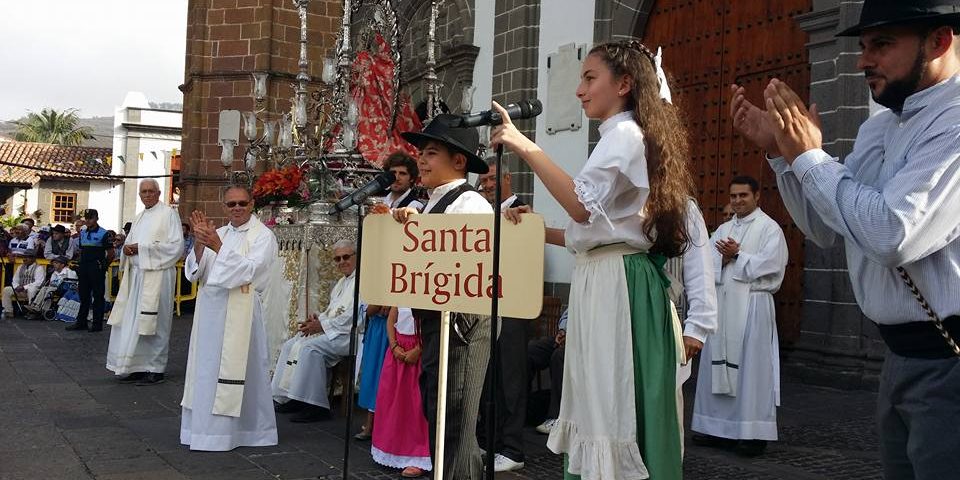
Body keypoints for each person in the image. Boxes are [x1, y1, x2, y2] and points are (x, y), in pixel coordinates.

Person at [730, 1, 960, 476]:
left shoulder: (953, 122)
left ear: (939, 42)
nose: (862, 61)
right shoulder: (880, 127)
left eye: (882, 44)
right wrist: (783, 155)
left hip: (948, 360)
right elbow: (827, 227)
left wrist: (810, 158)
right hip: (900, 358)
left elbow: (891, 233)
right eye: (861, 46)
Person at [493, 40, 718, 479]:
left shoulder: (626, 135)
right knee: (598, 396)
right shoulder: (620, 137)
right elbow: (593, 235)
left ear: (625, 84)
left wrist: (524, 144)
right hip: (605, 277)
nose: (579, 89)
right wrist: (537, 228)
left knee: (613, 398)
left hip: (620, 285)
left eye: (589, 77)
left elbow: (581, 207)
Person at [392, 114, 494, 480]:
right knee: (441, 414)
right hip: (438, 323)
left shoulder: (471, 205)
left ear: (459, 161)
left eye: (431, 152)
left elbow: (466, 269)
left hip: (463, 325)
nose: (421, 159)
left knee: (455, 418)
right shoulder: (434, 202)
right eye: (421, 152)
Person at [691, 176, 788, 457]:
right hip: (724, 305)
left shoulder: (770, 229)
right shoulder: (723, 228)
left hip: (754, 306)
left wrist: (738, 255)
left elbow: (772, 265)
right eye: (733, 196)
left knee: (750, 372)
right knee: (717, 370)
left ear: (757, 196)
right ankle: (718, 429)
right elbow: (705, 263)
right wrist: (722, 258)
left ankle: (752, 433)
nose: (737, 201)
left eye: (743, 195)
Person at [180, 185, 280, 451]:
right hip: (210, 312)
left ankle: (245, 431)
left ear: (252, 204)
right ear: (224, 207)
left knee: (242, 371)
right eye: (231, 204)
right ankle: (203, 431)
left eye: (242, 203)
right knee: (207, 370)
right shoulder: (219, 232)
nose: (237, 208)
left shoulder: (263, 236)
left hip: (242, 311)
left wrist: (216, 245)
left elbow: (249, 271)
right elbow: (195, 271)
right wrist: (200, 244)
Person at [475, 156, 529, 472]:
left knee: (511, 377)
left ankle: (514, 448)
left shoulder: (522, 211)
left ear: (508, 179)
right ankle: (490, 441)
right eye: (483, 181)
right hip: (485, 301)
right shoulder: (482, 213)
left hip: (513, 303)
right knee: (488, 375)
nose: (488, 186)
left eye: (493, 179)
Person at [105, 179, 185, 386]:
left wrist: (143, 248)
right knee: (135, 322)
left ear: (159, 193)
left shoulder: (168, 214)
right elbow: (130, 243)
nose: (147, 195)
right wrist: (126, 249)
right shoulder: (139, 217)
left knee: (156, 322)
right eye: (144, 192)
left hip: (158, 275)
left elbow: (176, 246)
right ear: (140, 195)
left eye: (151, 191)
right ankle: (138, 366)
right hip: (137, 276)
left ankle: (156, 368)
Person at [271, 239, 357, 423]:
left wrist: (322, 326)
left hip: (351, 335)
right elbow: (331, 311)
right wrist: (317, 321)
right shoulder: (342, 283)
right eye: (337, 259)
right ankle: (293, 397)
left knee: (310, 349)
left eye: (346, 257)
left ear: (356, 256)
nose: (342, 262)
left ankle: (316, 406)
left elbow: (355, 317)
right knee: (291, 344)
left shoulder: (364, 282)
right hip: (335, 330)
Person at [371, 306, 432, 478]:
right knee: (395, 403)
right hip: (398, 349)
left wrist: (419, 348)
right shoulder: (402, 291)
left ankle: (418, 455)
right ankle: (393, 448)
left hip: (419, 350)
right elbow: (392, 319)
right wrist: (394, 345)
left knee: (416, 405)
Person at [65, 209, 114, 332]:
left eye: (91, 218)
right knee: (84, 296)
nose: (88, 221)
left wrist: (103, 266)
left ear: (96, 218)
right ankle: (81, 322)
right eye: (86, 218)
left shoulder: (104, 233)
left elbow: (111, 253)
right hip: (84, 267)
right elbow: (82, 250)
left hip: (96, 267)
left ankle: (97, 324)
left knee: (98, 296)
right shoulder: (82, 233)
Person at [527, 308, 568, 435]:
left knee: (559, 356)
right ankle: (520, 409)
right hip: (568, 334)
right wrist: (563, 330)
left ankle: (556, 418)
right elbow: (568, 313)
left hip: (586, 340)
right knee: (530, 351)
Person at [355, 303, 389, 440]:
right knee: (374, 376)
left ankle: (377, 424)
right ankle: (372, 423)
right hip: (378, 329)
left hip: (390, 328)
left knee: (381, 377)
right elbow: (370, 310)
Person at [2, 253, 45, 317]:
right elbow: (15, 279)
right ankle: (8, 311)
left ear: (33, 259)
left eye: (27, 257)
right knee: (6, 289)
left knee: (32, 289)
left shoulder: (39, 268)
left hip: (33, 291)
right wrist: (16, 287)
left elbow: (39, 282)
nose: (24, 259)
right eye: (24, 257)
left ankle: (31, 311)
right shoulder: (20, 267)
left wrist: (24, 287)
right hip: (20, 290)